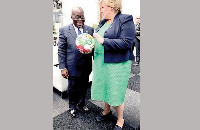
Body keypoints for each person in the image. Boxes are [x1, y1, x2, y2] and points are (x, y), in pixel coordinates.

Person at [91, 0, 135, 129]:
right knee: (106, 87)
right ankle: (106, 111)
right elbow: (98, 39)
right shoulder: (103, 22)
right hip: (101, 61)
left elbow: (127, 43)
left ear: (112, 7)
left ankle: (120, 120)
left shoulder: (125, 19)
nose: (101, 10)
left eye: (103, 7)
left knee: (115, 91)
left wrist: (103, 40)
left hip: (117, 64)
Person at [58, 6, 94, 117]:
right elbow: (61, 50)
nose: (80, 19)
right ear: (71, 17)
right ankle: (72, 106)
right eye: (77, 17)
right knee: (72, 88)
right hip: (72, 65)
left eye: (82, 17)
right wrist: (63, 67)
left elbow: (93, 47)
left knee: (84, 86)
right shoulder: (64, 30)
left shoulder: (90, 29)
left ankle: (81, 104)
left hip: (86, 65)